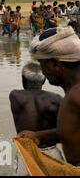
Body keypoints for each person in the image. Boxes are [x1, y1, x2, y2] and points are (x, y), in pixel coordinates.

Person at [18, 26, 80, 167]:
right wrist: (39, 136)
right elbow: (73, 130)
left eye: (42, 64)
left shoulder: (76, 96)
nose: (42, 71)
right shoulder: (72, 94)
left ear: (56, 64)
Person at [10, 61, 63, 175]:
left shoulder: (15, 96)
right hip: (52, 154)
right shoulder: (56, 99)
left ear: (23, 80)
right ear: (44, 80)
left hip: (27, 156)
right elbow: (64, 131)